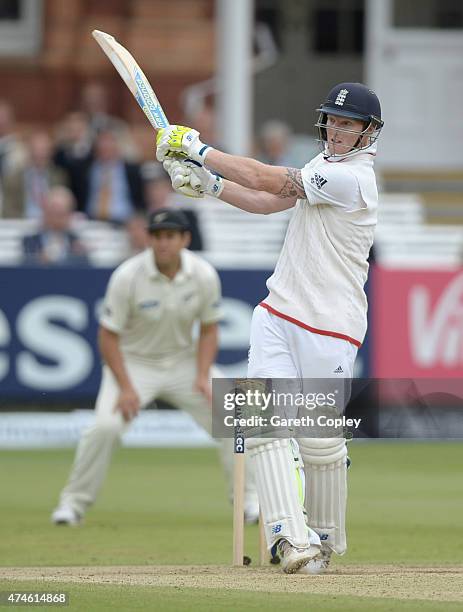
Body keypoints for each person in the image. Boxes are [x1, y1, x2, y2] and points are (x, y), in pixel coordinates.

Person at [156, 82, 384, 574]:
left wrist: (198, 149)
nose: (337, 130)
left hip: (332, 327)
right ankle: (288, 538)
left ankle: (323, 539)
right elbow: (263, 201)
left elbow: (266, 179)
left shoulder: (354, 180)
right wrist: (208, 184)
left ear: (368, 133)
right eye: (333, 120)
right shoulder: (321, 169)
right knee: (259, 425)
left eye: (348, 123)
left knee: (319, 442)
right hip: (278, 310)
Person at [51, 209, 258, 525]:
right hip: (133, 366)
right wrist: (127, 387)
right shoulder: (127, 276)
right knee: (105, 428)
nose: (163, 244)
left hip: (184, 364)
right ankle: (72, 505)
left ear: (184, 239)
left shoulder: (203, 275)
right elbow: (108, 336)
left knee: (235, 416)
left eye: (170, 236)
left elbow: (209, 329)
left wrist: (203, 375)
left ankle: (248, 502)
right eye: (158, 236)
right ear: (149, 239)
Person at [2, 131, 68, 219]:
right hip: (20, 224)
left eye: (43, 150)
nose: (39, 154)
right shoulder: (13, 178)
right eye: (36, 149)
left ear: (51, 152)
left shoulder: (60, 176)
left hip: (51, 223)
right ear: (28, 151)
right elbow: (8, 208)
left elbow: (65, 206)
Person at [22, 186, 88, 266]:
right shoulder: (29, 242)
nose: (56, 219)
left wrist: (79, 256)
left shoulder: (77, 243)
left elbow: (84, 271)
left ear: (70, 215)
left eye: (61, 214)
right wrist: (38, 260)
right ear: (44, 212)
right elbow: (24, 268)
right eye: (52, 213)